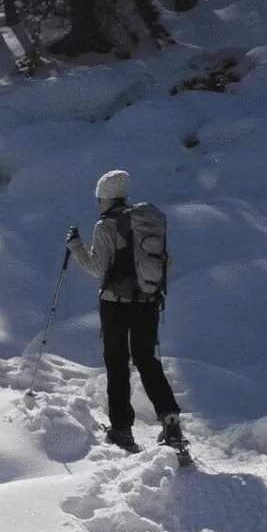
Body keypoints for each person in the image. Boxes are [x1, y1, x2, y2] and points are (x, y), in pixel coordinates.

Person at [66, 169, 184, 451]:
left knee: (117, 364)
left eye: (99, 199)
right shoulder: (147, 221)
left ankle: (121, 430)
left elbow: (97, 268)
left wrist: (75, 246)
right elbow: (166, 262)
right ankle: (170, 418)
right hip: (148, 303)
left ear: (105, 197)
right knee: (147, 361)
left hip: (115, 304)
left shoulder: (105, 225)